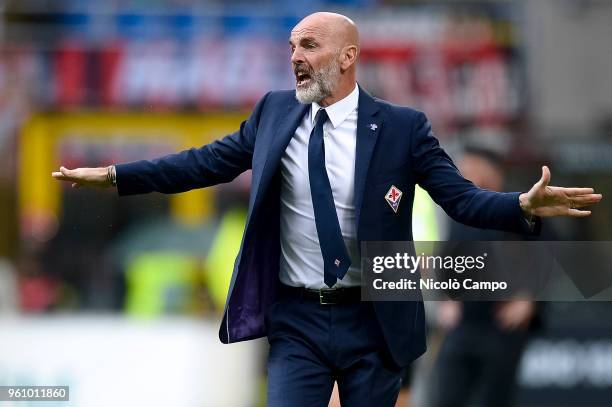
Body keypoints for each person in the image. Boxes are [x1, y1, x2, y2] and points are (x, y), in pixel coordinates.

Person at [51, 12, 602, 407]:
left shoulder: (403, 128)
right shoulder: (271, 113)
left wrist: (521, 206)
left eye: (310, 44)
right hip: (297, 319)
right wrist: (118, 175)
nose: (296, 56)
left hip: (375, 318)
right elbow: (200, 164)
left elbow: (461, 199)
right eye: (292, 45)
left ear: (347, 57)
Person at [432, 146, 545, 407]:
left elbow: (551, 254)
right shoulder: (459, 211)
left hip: (501, 326)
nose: (464, 174)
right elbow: (446, 258)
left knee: (493, 399)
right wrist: (445, 298)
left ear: (491, 171)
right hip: (462, 325)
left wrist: (529, 298)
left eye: (471, 168)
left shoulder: (523, 205)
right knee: (447, 396)